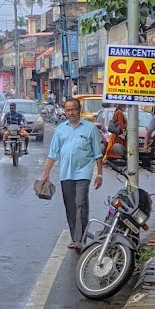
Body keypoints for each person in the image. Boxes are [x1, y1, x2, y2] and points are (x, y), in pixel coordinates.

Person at [40, 97, 104, 251]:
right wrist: (46, 173)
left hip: (83, 173)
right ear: (65, 111)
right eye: (68, 110)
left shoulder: (90, 129)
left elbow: (97, 153)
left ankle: (80, 240)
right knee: (70, 206)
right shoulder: (61, 129)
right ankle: (75, 237)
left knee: (80, 203)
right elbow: (53, 153)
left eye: (74, 109)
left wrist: (100, 175)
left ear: (79, 110)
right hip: (66, 174)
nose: (71, 113)